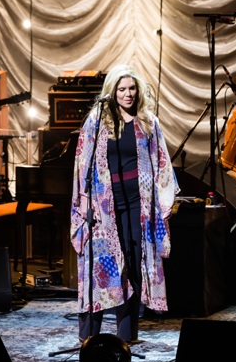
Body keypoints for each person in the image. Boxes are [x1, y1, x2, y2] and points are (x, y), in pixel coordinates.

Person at [70, 64, 179, 342]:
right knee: (98, 268)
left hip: (138, 206)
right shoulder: (97, 120)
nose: (127, 94)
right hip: (104, 206)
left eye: (131, 88)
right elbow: (82, 162)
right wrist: (84, 201)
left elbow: (163, 163)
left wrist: (162, 203)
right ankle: (89, 338)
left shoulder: (148, 122)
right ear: (112, 91)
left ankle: (126, 336)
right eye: (121, 89)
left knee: (132, 266)